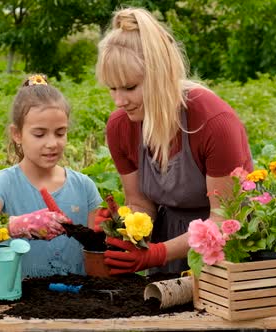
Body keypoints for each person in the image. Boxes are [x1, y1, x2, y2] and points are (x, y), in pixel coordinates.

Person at [96, 7, 253, 275]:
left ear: (161, 75)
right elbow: (141, 202)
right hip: (168, 241)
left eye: (130, 87)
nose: (120, 101)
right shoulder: (121, 126)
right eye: (113, 88)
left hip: (224, 251)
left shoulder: (213, 122)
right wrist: (125, 222)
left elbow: (225, 218)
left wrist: (158, 253)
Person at [0, 74, 102, 278]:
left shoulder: (84, 187)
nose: (52, 143)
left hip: (78, 300)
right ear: (17, 134)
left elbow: (98, 248)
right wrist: (17, 225)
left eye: (60, 133)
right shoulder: (4, 182)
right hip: (21, 299)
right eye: (39, 134)